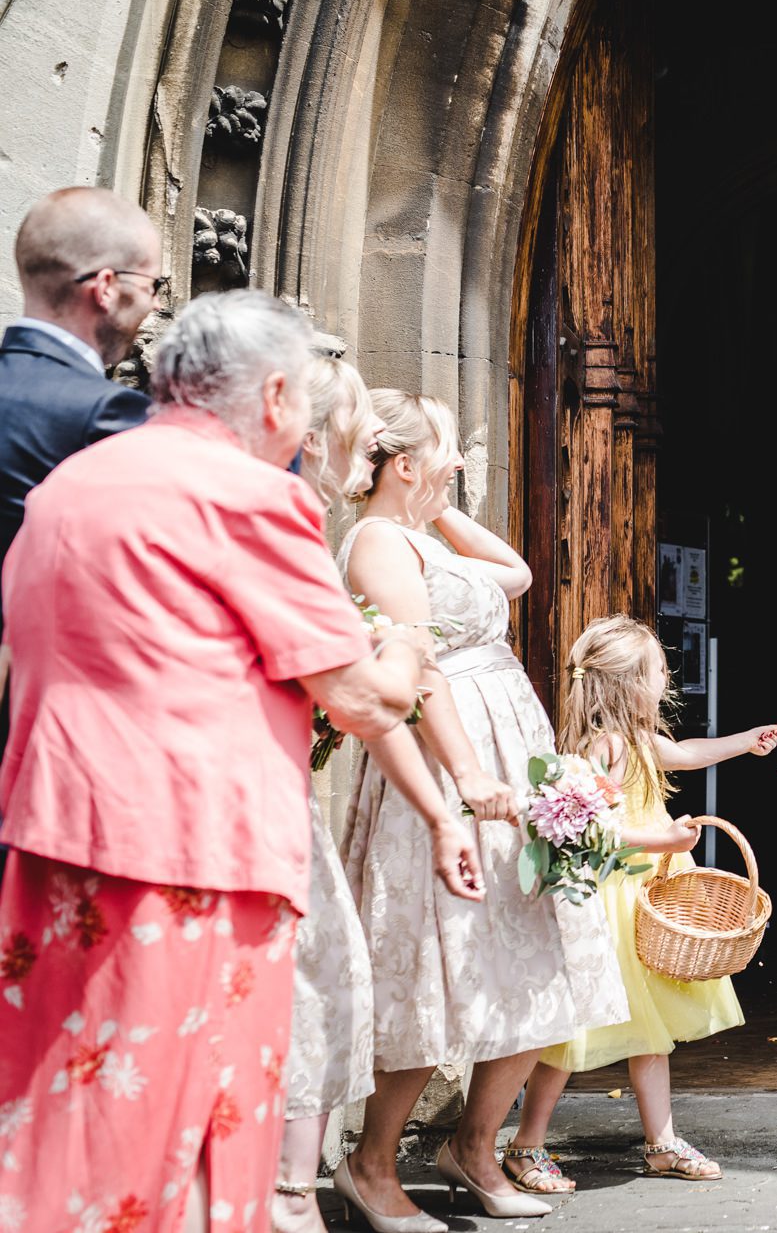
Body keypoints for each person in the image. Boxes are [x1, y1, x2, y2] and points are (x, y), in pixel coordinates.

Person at [0, 290, 434, 1233]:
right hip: (193, 862)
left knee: (57, 1114)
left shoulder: (71, 483)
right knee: (192, 1123)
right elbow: (360, 697)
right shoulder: (250, 495)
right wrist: (404, 645)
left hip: (50, 841)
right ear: (277, 394)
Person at [336, 390, 627, 1229]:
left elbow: (519, 573)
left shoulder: (422, 536)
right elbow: (419, 669)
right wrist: (465, 778)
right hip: (447, 757)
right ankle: (372, 1162)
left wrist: (443, 505)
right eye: (447, 449)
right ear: (402, 463)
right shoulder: (378, 542)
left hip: (512, 752)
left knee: (537, 955)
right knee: (442, 966)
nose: (462, 460)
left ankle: (474, 1145)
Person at [272, 348, 486, 1233]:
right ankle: (290, 1191)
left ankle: (271, 1190)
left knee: (320, 983)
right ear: (306, 431)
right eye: (360, 441)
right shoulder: (297, 527)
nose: (363, 465)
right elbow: (373, 695)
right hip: (251, 793)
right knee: (328, 983)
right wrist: (403, 647)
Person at [506, 615, 777, 1191]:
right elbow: (593, 830)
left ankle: (662, 1142)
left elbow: (684, 754)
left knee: (649, 1028)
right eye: (658, 669)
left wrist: (745, 743)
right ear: (630, 683)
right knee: (573, 1033)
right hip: (612, 901)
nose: (666, 678)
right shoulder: (601, 748)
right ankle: (525, 1145)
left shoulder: (637, 740)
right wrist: (667, 840)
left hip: (645, 900)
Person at [0, 188, 157, 761]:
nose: (155, 309)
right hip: (42, 733)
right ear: (107, 287)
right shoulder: (107, 415)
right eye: (152, 287)